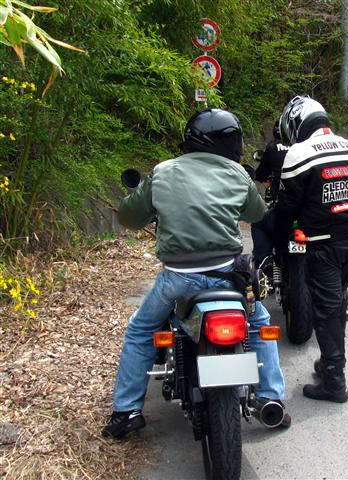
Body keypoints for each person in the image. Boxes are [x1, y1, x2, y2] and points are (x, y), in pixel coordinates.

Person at [102, 109, 289, 439]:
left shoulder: (163, 172)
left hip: (178, 278)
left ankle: (127, 410)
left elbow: (129, 217)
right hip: (229, 275)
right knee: (259, 325)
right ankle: (271, 398)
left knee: (141, 330)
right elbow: (257, 212)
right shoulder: (236, 173)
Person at [274, 96, 348, 403]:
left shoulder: (299, 153)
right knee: (337, 301)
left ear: (295, 124)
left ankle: (335, 382)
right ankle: (328, 362)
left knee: (327, 312)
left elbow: (286, 209)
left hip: (322, 246)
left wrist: (281, 247)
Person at [251, 120, 290, 267]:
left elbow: (261, 174)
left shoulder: (273, 147)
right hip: (308, 213)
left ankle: (263, 260)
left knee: (258, 222)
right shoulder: (305, 147)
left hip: (283, 208)